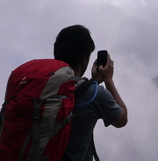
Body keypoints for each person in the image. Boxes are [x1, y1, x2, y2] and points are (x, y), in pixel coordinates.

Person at [53, 25, 128, 161]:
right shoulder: (95, 94)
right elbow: (121, 119)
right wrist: (108, 80)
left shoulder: (38, 85)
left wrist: (93, 81)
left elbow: (76, 95)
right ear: (84, 58)